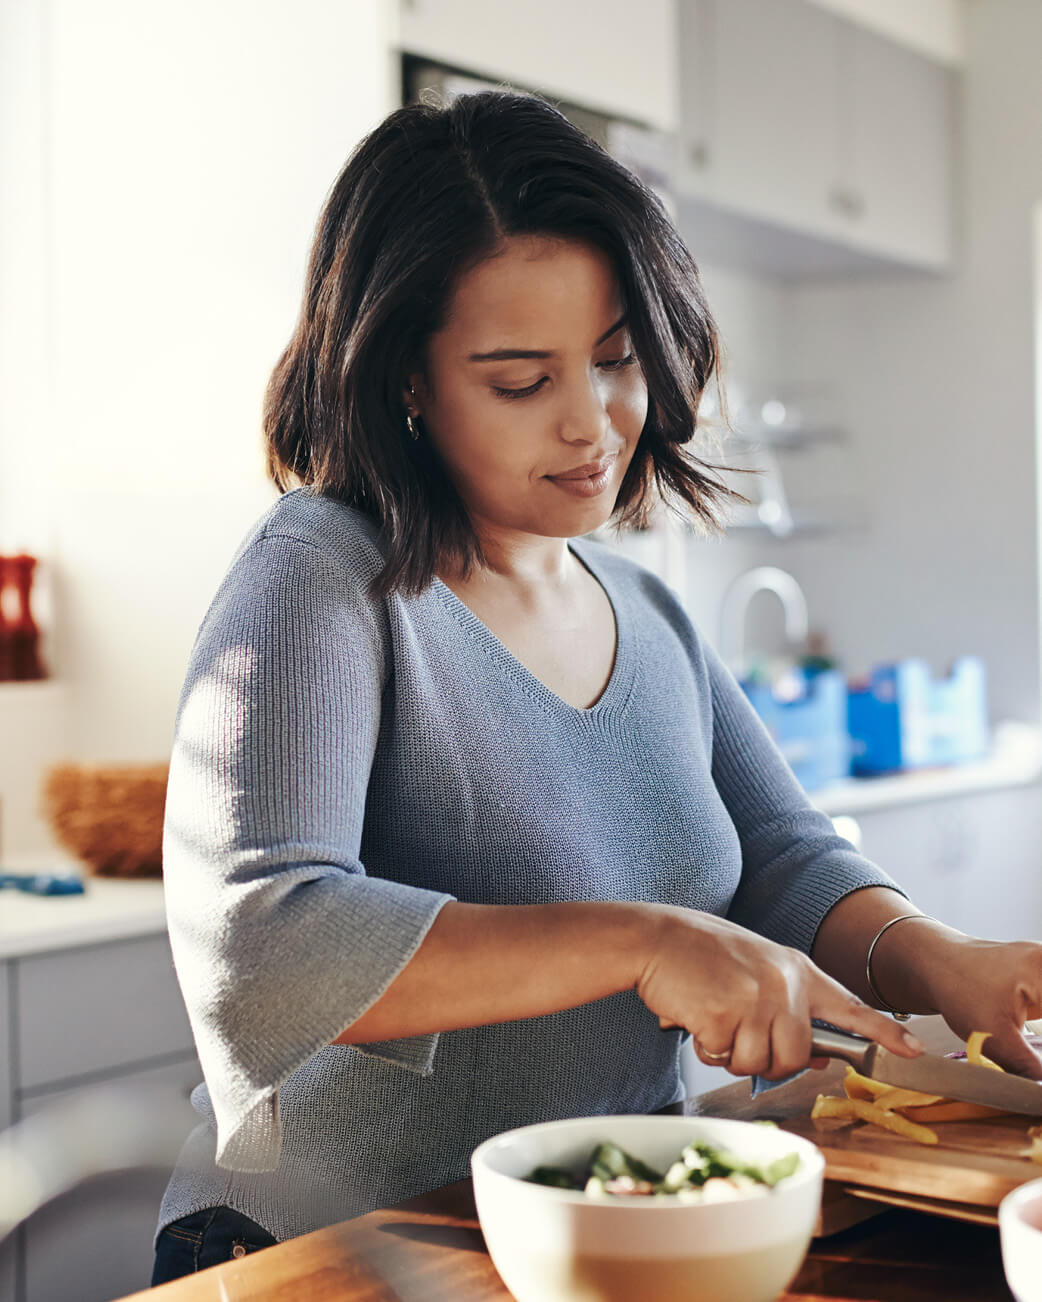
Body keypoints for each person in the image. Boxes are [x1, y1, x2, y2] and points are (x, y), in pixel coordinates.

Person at [151, 89, 1042, 1284]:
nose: (593, 423)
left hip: (588, 1230)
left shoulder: (646, 610)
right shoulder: (318, 574)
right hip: (338, 1246)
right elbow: (259, 940)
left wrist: (944, 962)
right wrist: (642, 942)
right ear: (402, 376)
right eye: (520, 381)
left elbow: (785, 859)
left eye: (616, 359)